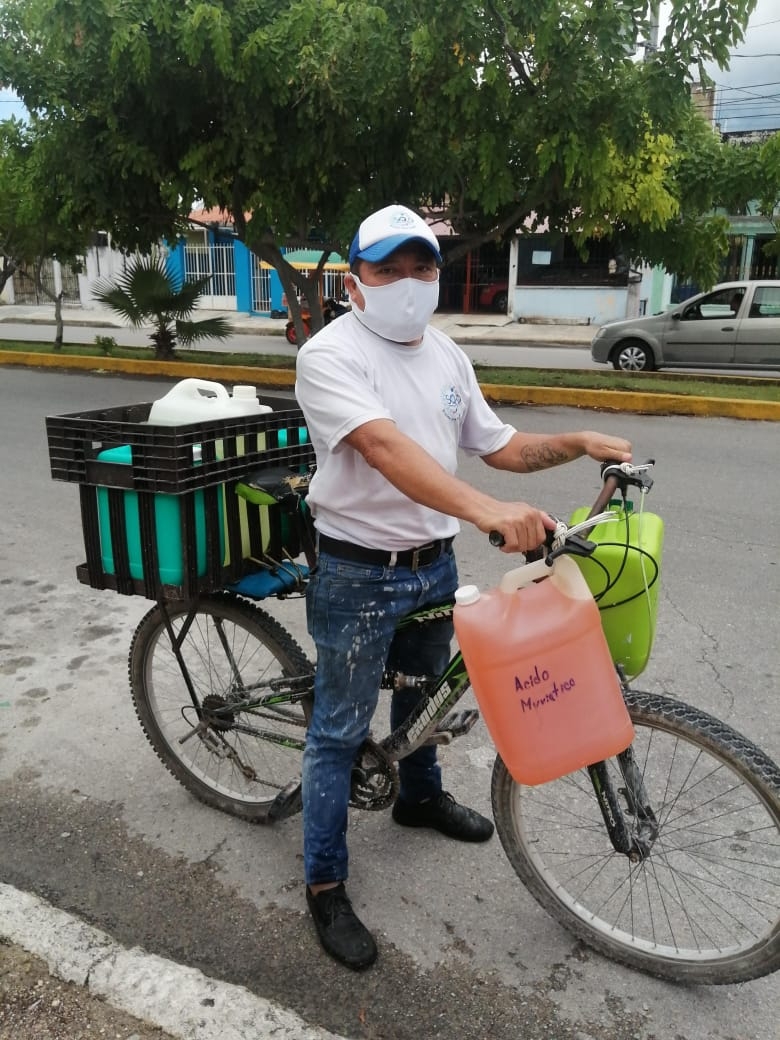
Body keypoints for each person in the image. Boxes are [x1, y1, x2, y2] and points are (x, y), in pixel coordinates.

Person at [294, 204, 632, 971]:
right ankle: (324, 884)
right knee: (340, 732)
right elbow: (383, 448)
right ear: (356, 283)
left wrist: (574, 440)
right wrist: (487, 512)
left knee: (424, 695)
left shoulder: (446, 355)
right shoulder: (330, 354)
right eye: (389, 268)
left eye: (422, 265)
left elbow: (500, 446)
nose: (409, 282)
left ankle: (418, 797)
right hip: (357, 570)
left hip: (432, 564)